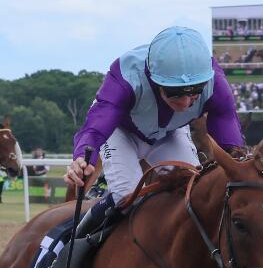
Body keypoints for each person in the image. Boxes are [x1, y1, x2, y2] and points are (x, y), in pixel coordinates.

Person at [62, 26, 243, 240]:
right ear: (153, 78)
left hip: (169, 132)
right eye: (174, 92)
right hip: (120, 132)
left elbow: (230, 136)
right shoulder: (126, 75)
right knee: (128, 198)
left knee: (193, 192)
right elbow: (96, 126)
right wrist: (83, 158)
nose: (185, 103)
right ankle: (72, 242)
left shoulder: (215, 83)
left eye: (195, 91)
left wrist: (240, 163)